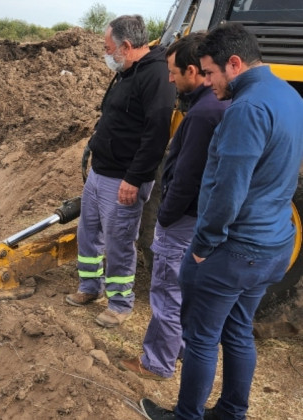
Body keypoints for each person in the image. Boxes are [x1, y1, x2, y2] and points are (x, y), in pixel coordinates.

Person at [141, 23, 303, 420]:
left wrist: (201, 247)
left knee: (199, 338)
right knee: (237, 330)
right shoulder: (288, 94)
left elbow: (227, 190)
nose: (208, 82)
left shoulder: (245, 110)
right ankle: (231, 412)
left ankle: (186, 415)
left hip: (236, 250)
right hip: (275, 242)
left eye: (211, 72)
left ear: (234, 63)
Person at [118, 34, 229, 381]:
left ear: (193, 70)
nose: (169, 79)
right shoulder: (219, 105)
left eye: (173, 72)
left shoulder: (202, 114)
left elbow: (186, 175)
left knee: (167, 291)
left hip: (182, 217)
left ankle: (155, 364)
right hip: (201, 216)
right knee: (184, 289)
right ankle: (177, 349)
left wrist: (165, 216)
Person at [65, 14, 175, 328]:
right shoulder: (127, 72)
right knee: (88, 233)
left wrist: (134, 178)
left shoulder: (155, 75)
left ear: (126, 46)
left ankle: (120, 303)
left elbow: (156, 135)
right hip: (102, 172)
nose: (105, 53)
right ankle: (90, 287)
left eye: (107, 47)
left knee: (119, 242)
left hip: (124, 179)